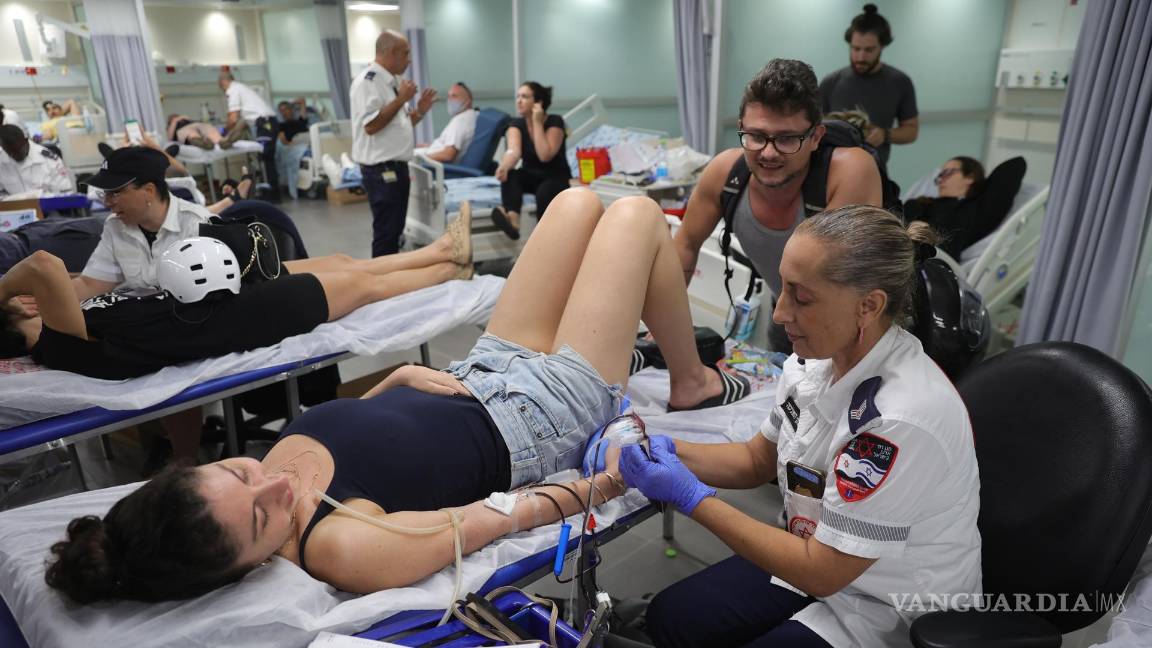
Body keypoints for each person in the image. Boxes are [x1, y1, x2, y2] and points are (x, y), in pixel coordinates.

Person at [41, 188, 750, 604]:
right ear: (243, 567)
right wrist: (602, 483)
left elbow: (358, 430)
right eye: (263, 521)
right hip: (541, 418)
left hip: (480, 374)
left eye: (241, 470)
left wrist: (395, 380)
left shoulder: (252, 486)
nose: (274, 486)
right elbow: (504, 517)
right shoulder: (342, 545)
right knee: (633, 218)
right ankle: (689, 380)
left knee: (576, 201)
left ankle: (685, 375)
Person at [624, 205, 982, 647]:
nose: (778, 314)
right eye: (783, 288)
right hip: (817, 560)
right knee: (673, 618)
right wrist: (660, 449)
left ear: (868, 306)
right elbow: (757, 459)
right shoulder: (812, 364)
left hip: (888, 607)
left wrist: (691, 497)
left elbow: (824, 569)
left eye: (802, 297)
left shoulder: (900, 418)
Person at [0, 206, 473, 378]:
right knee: (362, 287)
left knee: (342, 264)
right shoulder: (58, 342)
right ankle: (449, 272)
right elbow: (43, 265)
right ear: (18, 308)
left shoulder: (68, 327)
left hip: (215, 292)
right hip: (232, 319)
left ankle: (440, 249)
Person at [672, 59, 881, 352]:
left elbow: (834, 279)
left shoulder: (849, 171)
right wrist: (667, 332)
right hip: (786, 313)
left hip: (854, 325)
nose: (768, 153)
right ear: (742, 128)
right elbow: (684, 245)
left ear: (816, 137)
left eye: (787, 139)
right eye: (756, 136)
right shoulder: (725, 173)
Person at [350, 30, 437, 257]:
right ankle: (382, 285)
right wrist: (401, 100)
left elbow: (401, 124)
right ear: (390, 53)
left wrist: (420, 110)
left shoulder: (392, 81)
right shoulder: (367, 82)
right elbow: (371, 127)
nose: (409, 59)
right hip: (381, 171)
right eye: (405, 53)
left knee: (395, 231)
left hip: (397, 168)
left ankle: (392, 279)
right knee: (386, 232)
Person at [819, 4, 918, 166]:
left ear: (882, 47)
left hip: (874, 170)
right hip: (830, 169)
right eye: (855, 48)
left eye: (869, 50)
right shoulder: (831, 82)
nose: (860, 57)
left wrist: (885, 135)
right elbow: (812, 127)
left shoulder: (900, 82)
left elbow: (911, 131)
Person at [489, 82, 571, 241]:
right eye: (518, 96)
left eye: (524, 97)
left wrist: (537, 122)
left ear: (538, 102)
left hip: (555, 176)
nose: (519, 100)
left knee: (544, 192)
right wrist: (504, 166)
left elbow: (544, 155)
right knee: (511, 175)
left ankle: (544, 238)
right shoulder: (516, 124)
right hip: (531, 175)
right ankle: (512, 220)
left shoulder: (555, 121)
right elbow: (513, 151)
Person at [905, 155, 1026, 259]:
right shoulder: (920, 203)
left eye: (947, 173)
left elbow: (1016, 165)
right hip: (899, 249)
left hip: (931, 260)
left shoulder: (979, 209)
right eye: (939, 175)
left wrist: (980, 187)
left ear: (970, 177)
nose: (941, 179)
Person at [218, 71, 280, 202]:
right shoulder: (241, 88)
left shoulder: (233, 89)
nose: (223, 90)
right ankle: (273, 196)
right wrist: (230, 137)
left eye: (221, 86)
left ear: (223, 82)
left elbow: (233, 119)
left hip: (265, 124)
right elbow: (242, 123)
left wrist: (223, 132)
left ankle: (272, 196)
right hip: (267, 123)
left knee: (266, 159)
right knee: (267, 160)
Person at [0, 124, 75, 197]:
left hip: (48, 208)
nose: (14, 155)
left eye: (18, 151)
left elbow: (66, 193)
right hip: (14, 208)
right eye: (9, 152)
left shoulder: (48, 160)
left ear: (25, 141)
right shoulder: (1, 160)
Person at [416, 82, 478, 164]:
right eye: (448, 97)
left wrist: (422, 159)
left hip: (435, 167)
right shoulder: (472, 115)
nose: (450, 100)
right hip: (433, 155)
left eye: (454, 96)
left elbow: (448, 155)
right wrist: (432, 146)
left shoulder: (460, 121)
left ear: (468, 101)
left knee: (408, 158)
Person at [276, 99, 311, 199]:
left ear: (291, 110)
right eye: (281, 110)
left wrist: (291, 102)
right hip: (295, 147)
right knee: (307, 152)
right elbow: (283, 141)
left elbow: (302, 101)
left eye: (286, 109)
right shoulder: (281, 126)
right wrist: (294, 143)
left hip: (307, 142)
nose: (284, 112)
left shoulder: (301, 121)